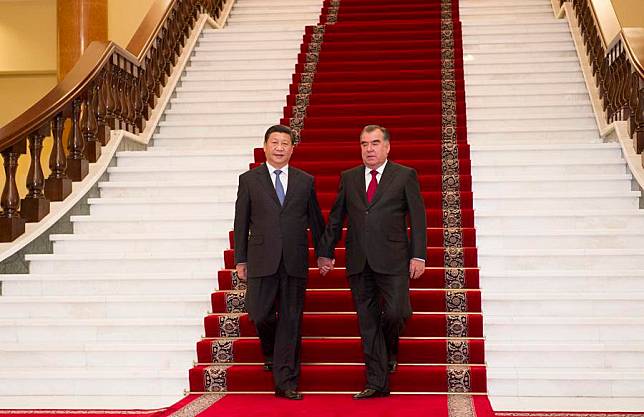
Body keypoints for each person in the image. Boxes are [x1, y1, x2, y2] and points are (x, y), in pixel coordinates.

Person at [317, 124, 427, 399]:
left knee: (396, 313)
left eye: (375, 143)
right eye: (364, 144)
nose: (369, 149)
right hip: (358, 260)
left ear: (387, 146)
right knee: (367, 322)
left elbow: (418, 217)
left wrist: (418, 254)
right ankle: (377, 382)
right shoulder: (349, 177)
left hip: (394, 259)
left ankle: (389, 347)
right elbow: (336, 218)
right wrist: (326, 251)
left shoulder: (404, 176)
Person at [234, 124, 325, 400]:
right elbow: (240, 222)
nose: (280, 148)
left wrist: (323, 252)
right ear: (265, 146)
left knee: (291, 320)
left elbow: (316, 220)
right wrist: (241, 259)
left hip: (294, 260)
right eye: (275, 142)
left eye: (285, 143)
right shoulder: (249, 180)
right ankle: (272, 350)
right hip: (261, 259)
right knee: (258, 313)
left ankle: (286, 381)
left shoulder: (304, 180)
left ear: (292, 149)